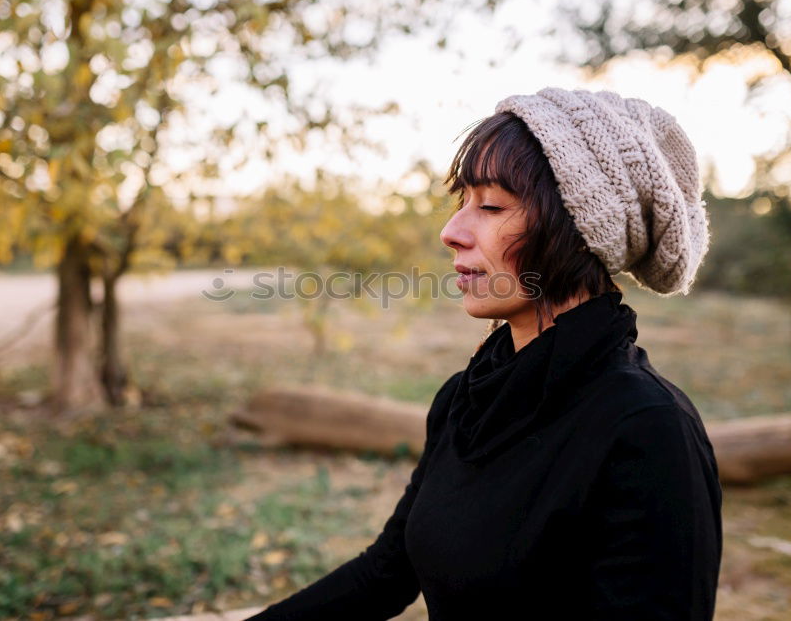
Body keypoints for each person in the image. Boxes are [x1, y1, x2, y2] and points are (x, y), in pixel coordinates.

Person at [244, 88, 723, 620]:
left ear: (578, 228)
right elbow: (387, 570)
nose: (452, 233)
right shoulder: (465, 398)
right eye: (461, 202)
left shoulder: (648, 428)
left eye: (491, 205)